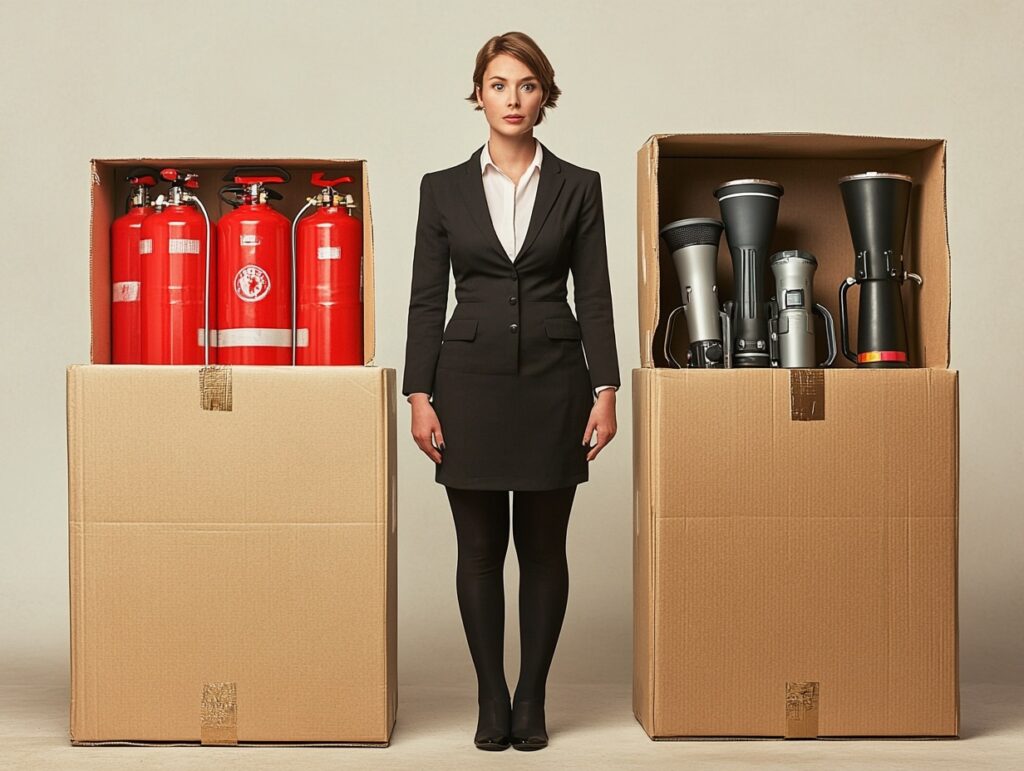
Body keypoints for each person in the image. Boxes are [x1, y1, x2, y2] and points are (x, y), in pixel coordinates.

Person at [402, 31, 620, 752]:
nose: (513, 98)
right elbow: (426, 300)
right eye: (499, 84)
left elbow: (594, 294)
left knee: (544, 548)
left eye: (526, 85)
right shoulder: (442, 189)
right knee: (478, 549)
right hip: (467, 385)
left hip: (556, 384)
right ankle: (490, 697)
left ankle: (532, 696)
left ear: (544, 95)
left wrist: (606, 385)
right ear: (479, 94)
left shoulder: (578, 185)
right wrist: (420, 394)